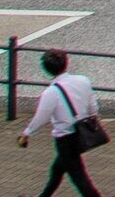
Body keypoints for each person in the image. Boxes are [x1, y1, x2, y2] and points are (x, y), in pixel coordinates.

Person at [17, 47, 102, 197]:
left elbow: (41, 118)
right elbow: (93, 107)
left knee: (80, 180)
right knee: (57, 169)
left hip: (65, 139)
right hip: (80, 134)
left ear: (47, 70)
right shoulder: (83, 81)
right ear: (66, 63)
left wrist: (26, 133)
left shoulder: (51, 92)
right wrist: (92, 117)